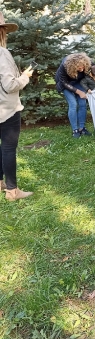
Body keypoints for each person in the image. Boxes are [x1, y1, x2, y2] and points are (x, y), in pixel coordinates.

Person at [0, 12, 34, 201]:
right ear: (2, 32)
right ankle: (12, 191)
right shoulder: (2, 53)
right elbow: (10, 85)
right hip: (7, 110)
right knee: (8, 149)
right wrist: (24, 77)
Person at [55, 52, 92, 138]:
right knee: (73, 104)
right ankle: (75, 130)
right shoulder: (64, 67)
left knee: (82, 103)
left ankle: (81, 128)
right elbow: (64, 82)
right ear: (73, 66)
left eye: (83, 66)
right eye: (79, 67)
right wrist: (79, 92)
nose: (82, 69)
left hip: (77, 82)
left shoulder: (86, 62)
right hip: (65, 83)